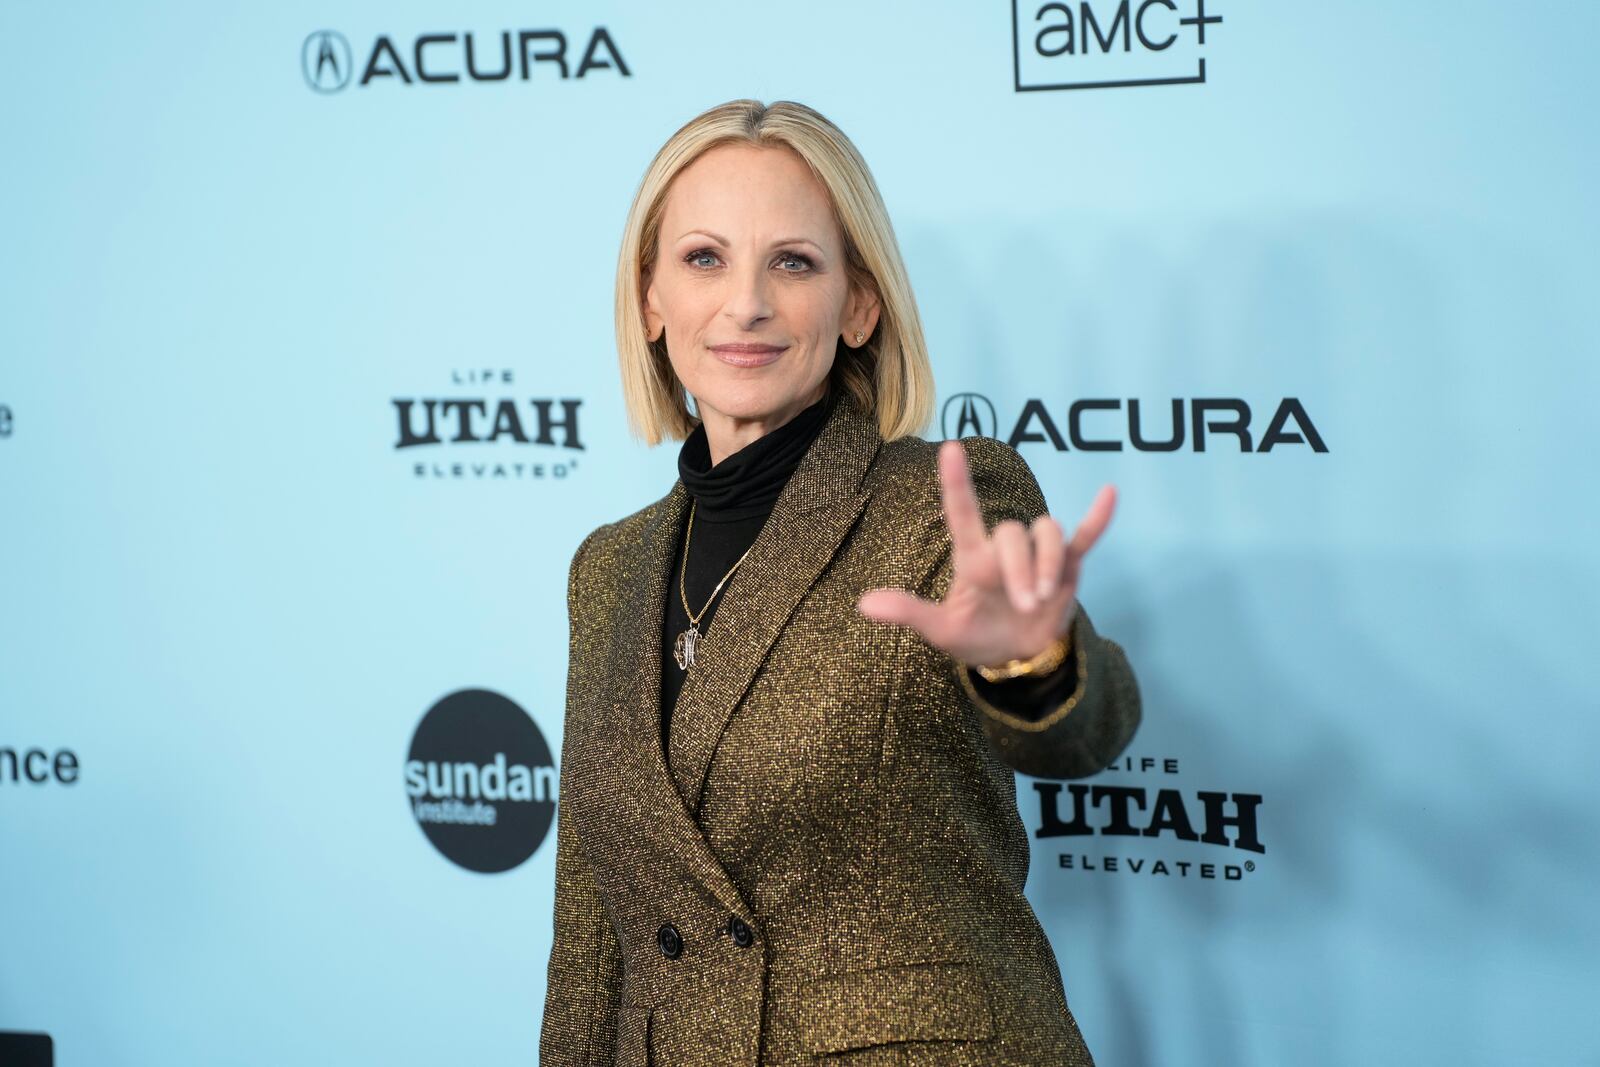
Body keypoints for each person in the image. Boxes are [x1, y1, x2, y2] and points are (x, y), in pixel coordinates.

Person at [540, 99, 1141, 1067]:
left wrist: (1032, 657)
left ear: (859, 303)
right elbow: (591, 937)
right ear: (649, 298)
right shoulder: (607, 569)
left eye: (793, 261)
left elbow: (1088, 726)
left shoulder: (942, 503)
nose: (746, 303)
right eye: (703, 258)